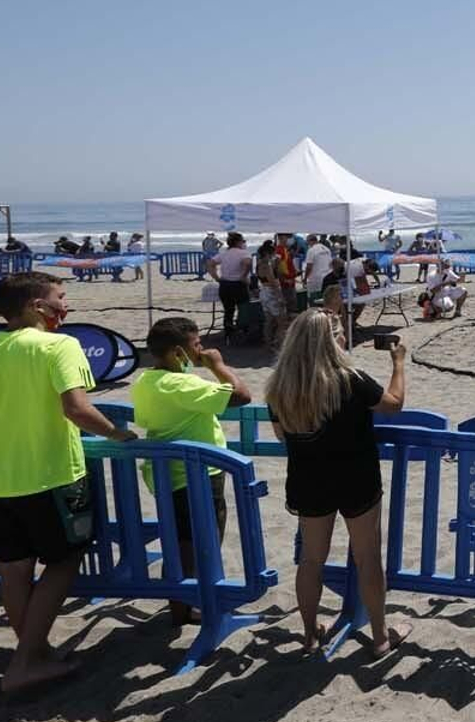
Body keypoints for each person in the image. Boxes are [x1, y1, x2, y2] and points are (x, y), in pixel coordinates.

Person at [0, 272, 137, 692]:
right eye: (60, 298)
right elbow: (77, 409)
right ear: (35, 307)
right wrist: (118, 434)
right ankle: (25, 663)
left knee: (13, 569)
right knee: (62, 562)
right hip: (47, 474)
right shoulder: (60, 345)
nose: (66, 307)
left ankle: (34, 651)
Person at [266, 311, 412, 657]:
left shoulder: (279, 387)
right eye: (341, 335)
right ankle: (379, 636)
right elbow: (393, 405)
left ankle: (310, 635)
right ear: (332, 341)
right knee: (367, 558)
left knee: (311, 560)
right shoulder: (350, 379)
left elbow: (281, 434)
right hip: (356, 477)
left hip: (308, 480)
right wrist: (399, 364)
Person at [132, 317, 254, 625]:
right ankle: (197, 603)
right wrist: (217, 365)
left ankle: (179, 604)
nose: (202, 350)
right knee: (205, 540)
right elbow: (241, 395)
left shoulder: (145, 381)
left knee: (178, 539)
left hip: (166, 473)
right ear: (177, 353)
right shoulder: (183, 383)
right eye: (196, 346)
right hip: (199, 474)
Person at [211, 232, 253, 341]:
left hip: (225, 284)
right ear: (239, 242)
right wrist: (244, 275)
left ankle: (228, 333)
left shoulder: (224, 253)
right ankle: (243, 331)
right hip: (238, 284)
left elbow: (210, 263)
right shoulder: (243, 253)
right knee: (243, 309)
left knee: (228, 310)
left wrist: (216, 277)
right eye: (243, 241)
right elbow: (248, 263)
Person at [303, 234, 335, 298]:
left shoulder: (311, 250)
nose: (308, 244)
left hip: (316, 278)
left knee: (314, 299)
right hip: (328, 277)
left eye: (308, 242)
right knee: (326, 298)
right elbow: (331, 264)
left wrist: (305, 278)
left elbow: (309, 266)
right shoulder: (326, 249)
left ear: (310, 241)